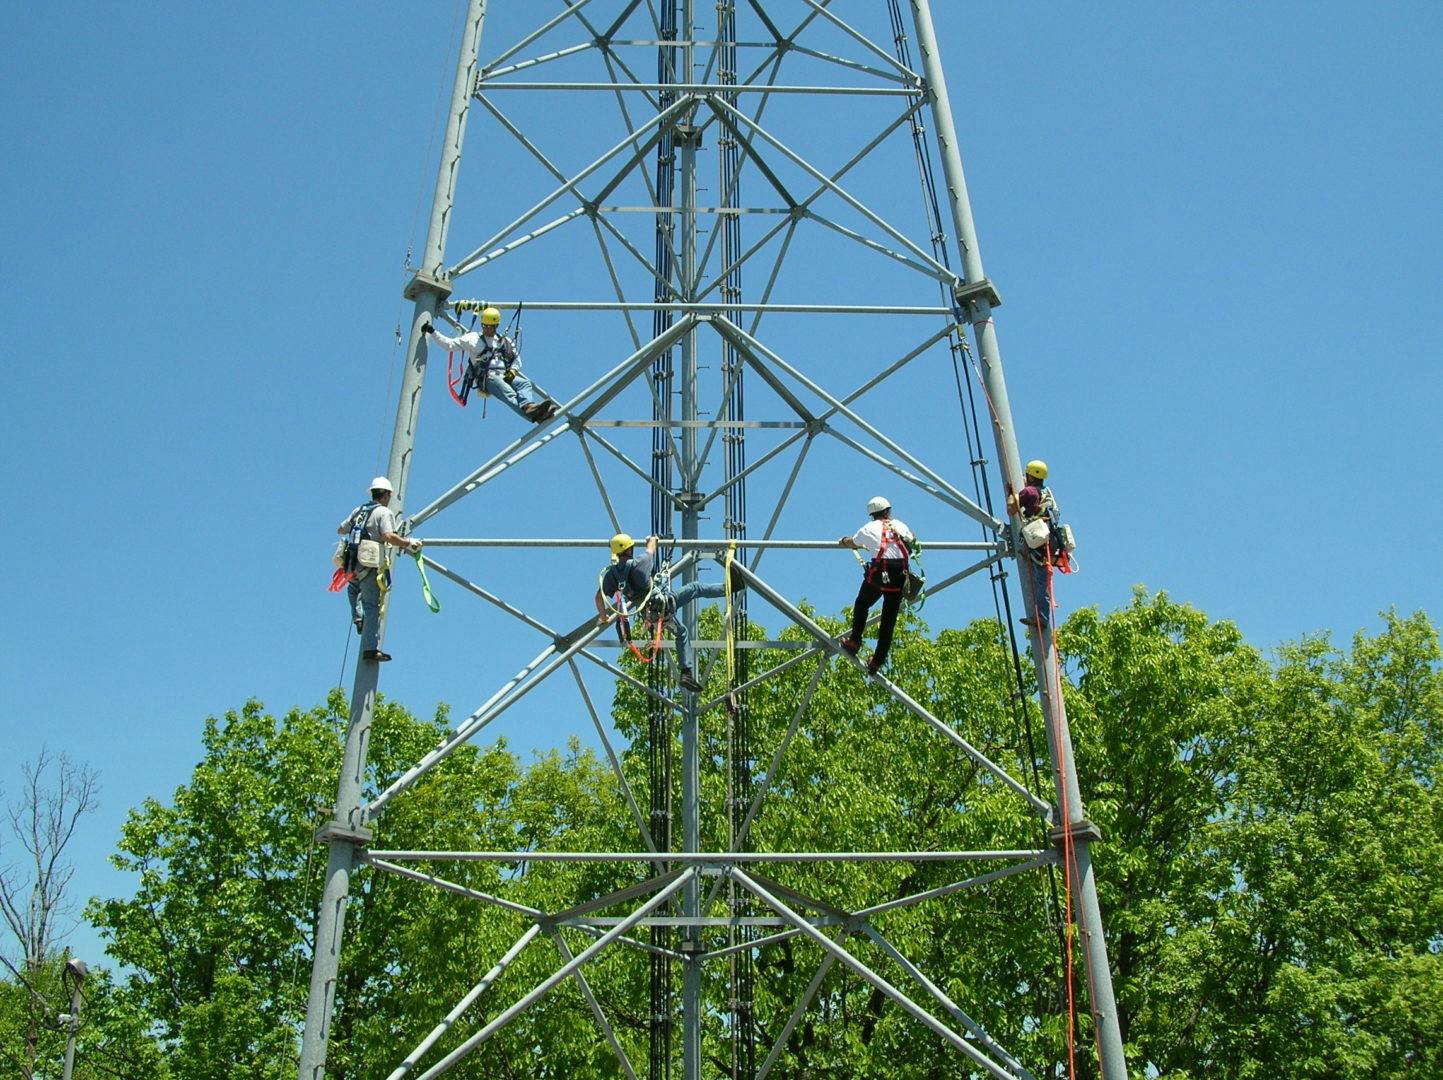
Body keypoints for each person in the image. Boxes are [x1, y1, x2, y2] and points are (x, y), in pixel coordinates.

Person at [594, 533, 735, 693]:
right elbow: (651, 548)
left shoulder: (611, 576)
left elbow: (598, 598)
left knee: (681, 633)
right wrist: (652, 540)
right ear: (630, 549)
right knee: (695, 588)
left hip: (650, 615)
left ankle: (686, 673)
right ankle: (729, 588)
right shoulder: (639, 563)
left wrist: (604, 617)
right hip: (663, 604)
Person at [337, 476, 422, 662]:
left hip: (351, 563)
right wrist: (408, 543)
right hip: (369, 562)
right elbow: (388, 536)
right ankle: (370, 649)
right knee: (372, 606)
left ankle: (358, 618)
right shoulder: (383, 513)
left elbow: (341, 530)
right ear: (388, 494)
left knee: (353, 589)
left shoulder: (358, 511)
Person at [422, 306, 556, 422]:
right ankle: (532, 414)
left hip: (504, 374)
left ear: (496, 326)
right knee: (508, 391)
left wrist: (513, 371)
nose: (486, 329)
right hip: (487, 378)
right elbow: (449, 345)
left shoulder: (504, 341)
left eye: (490, 327)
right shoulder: (473, 339)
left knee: (524, 383)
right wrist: (432, 332)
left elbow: (516, 359)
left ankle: (531, 408)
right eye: (484, 326)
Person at [837, 496, 915, 676]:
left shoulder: (869, 528)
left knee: (862, 603)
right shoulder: (900, 526)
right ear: (888, 511)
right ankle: (876, 661)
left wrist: (843, 540)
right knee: (888, 621)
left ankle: (854, 641)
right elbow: (912, 538)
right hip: (899, 575)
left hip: (880, 574)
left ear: (872, 514)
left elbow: (853, 542)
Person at [1010, 459, 1062, 633]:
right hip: (1051, 538)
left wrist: (1012, 493)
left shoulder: (1029, 492)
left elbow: (1011, 508)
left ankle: (1042, 618)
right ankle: (1042, 616)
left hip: (1037, 540)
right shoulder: (1046, 492)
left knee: (1040, 580)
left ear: (1029, 476)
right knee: (1041, 578)